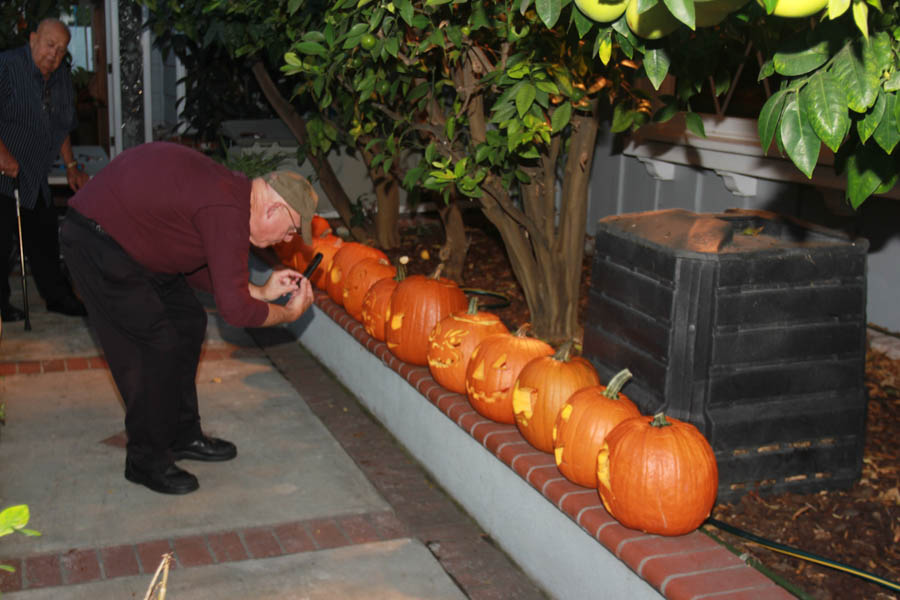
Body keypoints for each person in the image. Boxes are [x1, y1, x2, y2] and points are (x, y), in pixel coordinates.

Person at [60, 141, 318, 495]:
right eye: (291, 230)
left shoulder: (232, 197)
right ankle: (145, 459)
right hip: (98, 242)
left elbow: (195, 261)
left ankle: (181, 434)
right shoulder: (226, 207)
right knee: (154, 346)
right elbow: (235, 310)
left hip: (137, 245)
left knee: (188, 321)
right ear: (273, 209)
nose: (288, 240)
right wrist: (288, 313)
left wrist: (259, 290)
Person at [0, 18, 91, 322]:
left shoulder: (60, 77)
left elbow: (61, 125)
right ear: (33, 38)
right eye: (50, 45)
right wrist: (2, 154)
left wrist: (71, 166)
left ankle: (58, 297)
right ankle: (1, 305)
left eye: (61, 50)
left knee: (44, 237)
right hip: (3, 173)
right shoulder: (7, 66)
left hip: (34, 174)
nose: (54, 53)